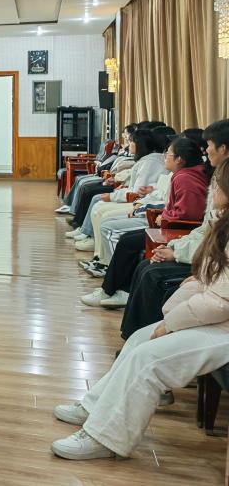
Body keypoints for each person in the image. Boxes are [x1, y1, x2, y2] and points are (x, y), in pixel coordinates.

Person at [49, 161, 229, 462]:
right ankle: (95, 407)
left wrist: (171, 323)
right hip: (216, 317)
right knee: (138, 340)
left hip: (222, 327)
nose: (212, 188)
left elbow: (219, 302)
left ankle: (105, 438)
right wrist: (196, 283)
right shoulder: (221, 221)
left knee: (148, 358)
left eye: (218, 183)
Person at [82, 136, 211, 308]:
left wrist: (165, 217)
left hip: (178, 230)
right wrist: (164, 214)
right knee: (127, 240)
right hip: (170, 225)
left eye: (168, 154)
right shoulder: (186, 174)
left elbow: (190, 213)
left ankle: (114, 290)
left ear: (179, 159)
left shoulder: (186, 177)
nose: (165, 158)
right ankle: (115, 289)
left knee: (126, 241)